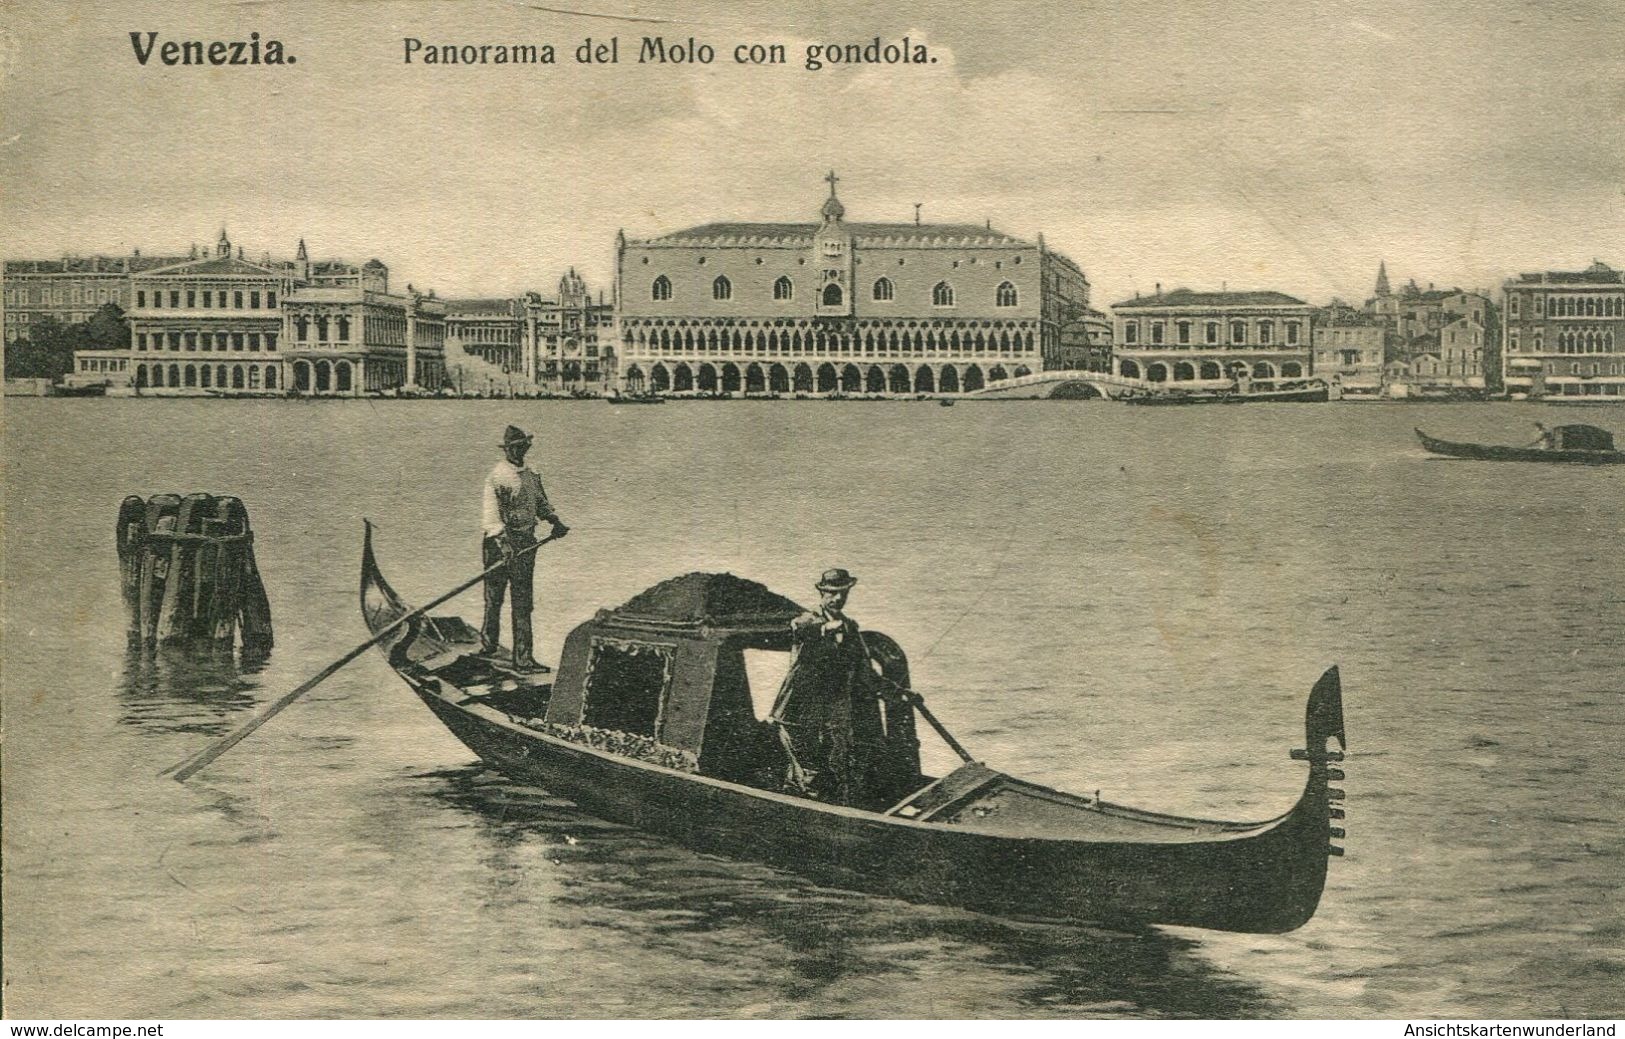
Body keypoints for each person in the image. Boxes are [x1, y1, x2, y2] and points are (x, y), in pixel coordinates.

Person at [768, 568, 887, 806]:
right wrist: (824, 628)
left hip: (832, 713)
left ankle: (813, 808)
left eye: (843, 593)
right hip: (798, 711)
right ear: (822, 593)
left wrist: (891, 687)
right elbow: (799, 627)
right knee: (809, 768)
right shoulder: (808, 620)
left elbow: (863, 666)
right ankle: (801, 810)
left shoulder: (850, 627)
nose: (838, 598)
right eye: (832, 593)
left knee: (834, 765)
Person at [481, 425, 568, 672]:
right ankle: (488, 645)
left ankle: (523, 659)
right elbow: (491, 518)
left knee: (522, 601)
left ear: (526, 448)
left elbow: (541, 502)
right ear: (508, 449)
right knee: (494, 597)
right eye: (515, 447)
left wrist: (555, 521)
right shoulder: (497, 476)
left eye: (522, 447)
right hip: (498, 543)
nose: (519, 451)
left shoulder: (531, 474)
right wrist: (504, 543)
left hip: (526, 543)